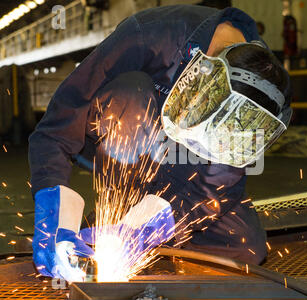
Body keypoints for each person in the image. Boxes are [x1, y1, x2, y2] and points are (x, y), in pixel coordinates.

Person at [28, 4, 292, 281]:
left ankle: (139, 234)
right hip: (127, 139)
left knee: (246, 247)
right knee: (131, 91)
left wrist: (157, 222)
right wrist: (53, 200)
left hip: (189, 171)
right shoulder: (150, 34)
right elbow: (58, 124)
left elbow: (220, 181)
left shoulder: (265, 92)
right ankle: (116, 214)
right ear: (203, 74)